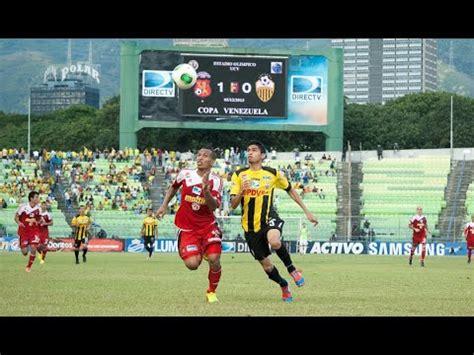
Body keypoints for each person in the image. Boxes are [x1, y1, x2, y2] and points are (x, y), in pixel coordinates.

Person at [230, 141, 318, 303]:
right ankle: (284, 285)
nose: (250, 153)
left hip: (269, 217)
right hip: (250, 227)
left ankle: (292, 270)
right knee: (267, 266)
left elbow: (290, 190)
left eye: (254, 150)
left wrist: (307, 211)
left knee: (274, 241)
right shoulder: (239, 175)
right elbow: (233, 204)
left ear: (262, 155)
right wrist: (242, 191)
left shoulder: (273, 173)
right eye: (248, 150)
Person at [156, 147, 224, 303]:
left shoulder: (217, 180)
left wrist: (206, 191)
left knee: (214, 258)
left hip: (208, 226)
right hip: (187, 228)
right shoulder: (185, 174)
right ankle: (200, 250)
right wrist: (164, 205)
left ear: (212, 162)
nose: (200, 158)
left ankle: (211, 291)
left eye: (205, 156)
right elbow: (173, 188)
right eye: (198, 155)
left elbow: (214, 206)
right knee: (192, 265)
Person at [14, 191, 42, 272]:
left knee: (33, 248)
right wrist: (19, 223)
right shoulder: (23, 207)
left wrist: (39, 221)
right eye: (36, 197)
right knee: (25, 252)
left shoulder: (38, 208)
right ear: (31, 198)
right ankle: (22, 243)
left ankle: (29, 266)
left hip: (34, 231)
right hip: (24, 231)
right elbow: (16, 217)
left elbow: (39, 219)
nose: (38, 199)